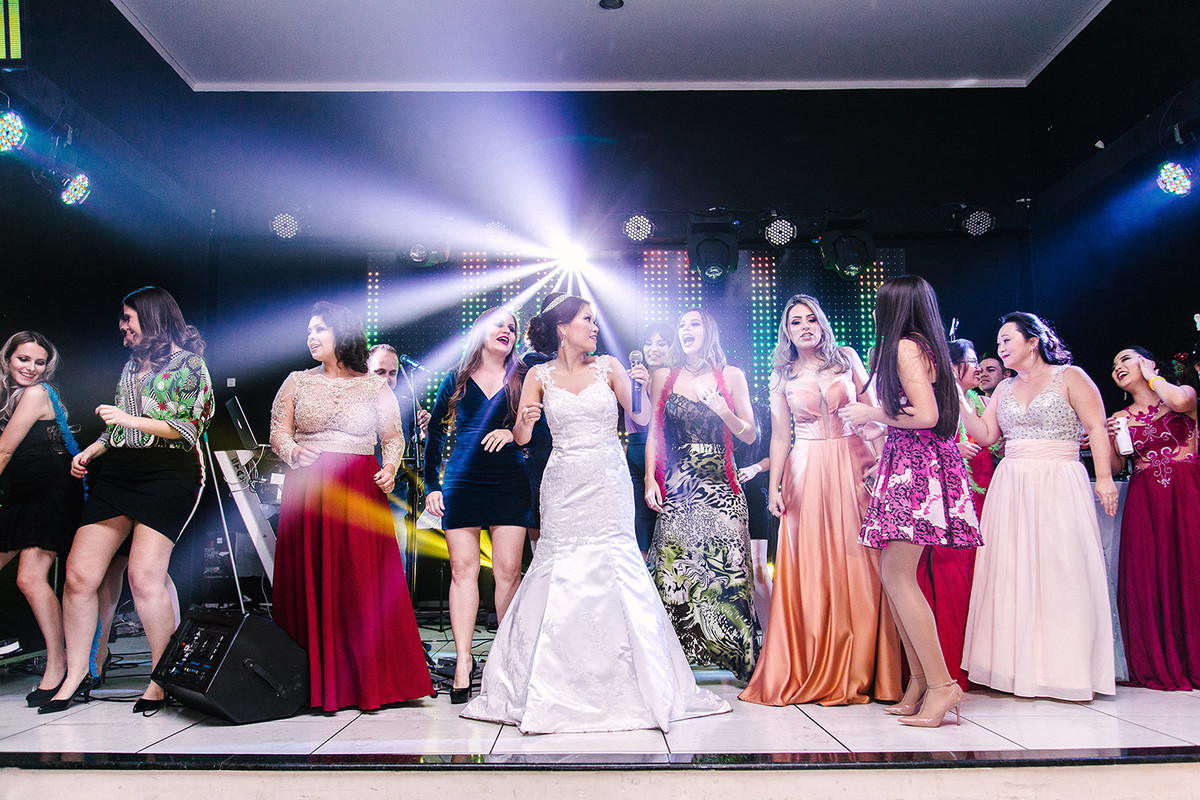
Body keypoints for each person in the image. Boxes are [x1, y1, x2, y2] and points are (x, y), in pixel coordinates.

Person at [461, 295, 729, 733]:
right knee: (558, 567)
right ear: (563, 327)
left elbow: (642, 417)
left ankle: (632, 682)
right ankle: (551, 681)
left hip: (607, 478)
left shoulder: (609, 367)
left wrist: (641, 388)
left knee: (615, 564)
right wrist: (525, 421)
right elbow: (523, 437)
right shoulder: (538, 375)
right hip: (562, 480)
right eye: (586, 319)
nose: (594, 327)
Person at [44, 287, 214, 714]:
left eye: (128, 318)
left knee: (143, 577)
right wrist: (91, 451)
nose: (122, 326)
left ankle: (161, 677)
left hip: (169, 475)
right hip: (120, 473)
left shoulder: (190, 365)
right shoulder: (131, 366)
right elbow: (118, 428)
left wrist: (130, 419)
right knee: (79, 576)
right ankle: (78, 673)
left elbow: (188, 427)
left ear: (152, 318)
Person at [740, 295, 901, 707]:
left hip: (854, 463)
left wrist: (883, 464)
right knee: (811, 566)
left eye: (811, 319)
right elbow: (780, 436)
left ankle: (866, 667)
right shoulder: (781, 374)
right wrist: (775, 487)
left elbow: (875, 413)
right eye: (796, 322)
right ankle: (813, 660)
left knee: (862, 563)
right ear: (787, 332)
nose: (805, 326)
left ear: (822, 323)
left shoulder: (846, 358)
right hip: (806, 468)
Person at [270, 302, 432, 711]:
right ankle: (310, 682)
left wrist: (390, 468)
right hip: (309, 485)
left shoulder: (374, 387)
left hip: (359, 485)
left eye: (320, 329)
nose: (311, 336)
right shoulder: (296, 381)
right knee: (311, 577)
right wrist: (293, 451)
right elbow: (277, 432)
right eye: (309, 329)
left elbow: (392, 438)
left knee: (360, 582)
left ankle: (365, 681)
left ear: (342, 334)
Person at [839, 275, 981, 728]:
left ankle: (941, 685)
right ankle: (920, 682)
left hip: (916, 465)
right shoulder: (922, 345)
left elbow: (928, 415)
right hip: (911, 461)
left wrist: (872, 413)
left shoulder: (906, 346)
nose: (876, 312)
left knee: (900, 576)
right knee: (894, 574)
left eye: (881, 303)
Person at [959, 312, 1117, 701]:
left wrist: (1103, 478)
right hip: (1012, 482)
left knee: (1062, 567)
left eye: (1007, 339)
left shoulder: (1071, 376)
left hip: (1059, 478)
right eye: (998, 341)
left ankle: (1065, 670)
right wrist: (959, 399)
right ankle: (1015, 669)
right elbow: (986, 435)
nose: (1000, 347)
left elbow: (1096, 428)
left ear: (1032, 341)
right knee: (1013, 570)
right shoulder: (1003, 388)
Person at [645, 308, 759, 682]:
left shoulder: (732, 375)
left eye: (693, 323)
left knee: (728, 569)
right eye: (681, 325)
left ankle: (738, 660)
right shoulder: (664, 376)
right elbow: (654, 434)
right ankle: (672, 663)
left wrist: (723, 410)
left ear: (708, 330)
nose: (685, 329)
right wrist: (649, 479)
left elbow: (750, 435)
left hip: (722, 483)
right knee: (673, 568)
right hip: (678, 482)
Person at [423, 307, 530, 703]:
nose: (506, 331)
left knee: (509, 573)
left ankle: (505, 661)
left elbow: (539, 431)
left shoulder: (522, 376)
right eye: (499, 324)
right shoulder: (456, 377)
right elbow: (435, 435)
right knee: (462, 571)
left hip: (509, 481)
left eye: (512, 328)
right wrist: (431, 485)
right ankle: (464, 663)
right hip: (463, 481)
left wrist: (513, 432)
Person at [1108, 346, 1200, 690]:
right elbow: (1117, 466)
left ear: (1147, 362)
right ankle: (1161, 660)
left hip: (1188, 491)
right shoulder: (1121, 416)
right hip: (1146, 499)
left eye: (1125, 359)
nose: (1117, 367)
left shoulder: (1182, 393)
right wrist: (1106, 439)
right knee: (1154, 574)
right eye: (1114, 365)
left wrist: (1152, 377)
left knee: (1192, 568)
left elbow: (1180, 403)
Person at [0, 332, 84, 706]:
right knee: (28, 579)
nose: (31, 368)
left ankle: (58, 663)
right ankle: (57, 660)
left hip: (51, 493)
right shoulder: (10, 395)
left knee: (30, 578)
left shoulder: (36, 394)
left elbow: (4, 451)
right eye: (23, 359)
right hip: (22, 494)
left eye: (38, 362)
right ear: (7, 359)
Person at [912, 337, 991, 693]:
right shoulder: (940, 400)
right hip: (952, 500)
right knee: (949, 579)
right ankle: (948, 669)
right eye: (971, 361)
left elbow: (991, 439)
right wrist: (952, 448)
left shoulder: (982, 403)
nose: (978, 368)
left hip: (988, 501)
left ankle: (982, 665)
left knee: (982, 582)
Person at [626, 323, 672, 559]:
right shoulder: (631, 378)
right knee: (639, 527)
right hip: (635, 456)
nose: (653, 348)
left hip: (667, 456)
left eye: (661, 343)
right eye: (648, 343)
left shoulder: (675, 380)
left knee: (666, 526)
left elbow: (660, 422)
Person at [734, 397, 774, 638]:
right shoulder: (715, 408)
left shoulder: (763, 412)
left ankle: (773, 639)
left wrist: (755, 468)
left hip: (755, 494)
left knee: (758, 569)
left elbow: (776, 453)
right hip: (722, 494)